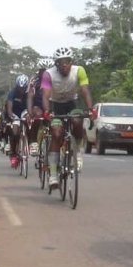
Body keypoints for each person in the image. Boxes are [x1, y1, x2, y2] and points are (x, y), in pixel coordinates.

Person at [40, 47, 95, 189]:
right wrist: (47, 111)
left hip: (71, 103)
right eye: (61, 62)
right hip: (55, 105)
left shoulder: (79, 70)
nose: (65, 65)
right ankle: (53, 174)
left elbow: (85, 90)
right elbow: (45, 95)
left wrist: (91, 109)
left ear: (71, 62)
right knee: (57, 133)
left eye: (67, 62)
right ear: (56, 64)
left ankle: (77, 153)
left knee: (77, 121)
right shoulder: (48, 74)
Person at [5, 74, 30, 168]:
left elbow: (30, 105)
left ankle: (30, 143)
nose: (21, 90)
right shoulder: (12, 93)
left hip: (24, 111)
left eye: (23, 88)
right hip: (15, 113)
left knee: (30, 125)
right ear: (16, 86)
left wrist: (29, 115)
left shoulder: (28, 93)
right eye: (20, 88)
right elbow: (9, 107)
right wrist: (11, 115)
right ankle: (14, 153)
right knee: (15, 132)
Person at [26, 61, 48, 157]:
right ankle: (33, 142)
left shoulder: (53, 79)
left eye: (45, 71)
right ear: (38, 71)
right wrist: (30, 112)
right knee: (37, 116)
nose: (43, 73)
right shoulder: (34, 81)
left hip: (50, 105)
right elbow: (30, 96)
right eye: (41, 71)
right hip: (37, 105)